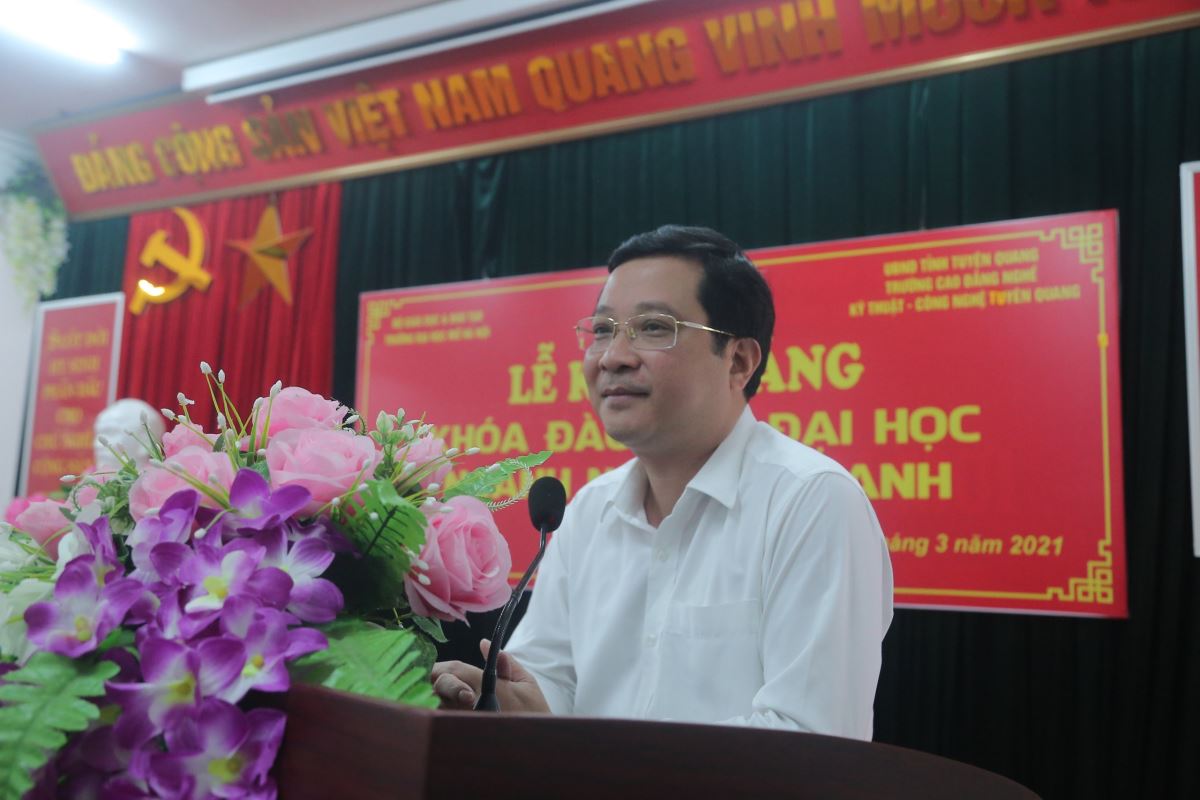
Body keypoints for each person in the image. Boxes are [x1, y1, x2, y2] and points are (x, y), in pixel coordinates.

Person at [432, 225, 893, 738]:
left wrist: (600, 762)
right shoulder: (589, 511)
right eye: (603, 329)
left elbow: (811, 738)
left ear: (739, 360)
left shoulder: (810, 501)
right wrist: (504, 703)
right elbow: (553, 683)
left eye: (653, 327)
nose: (613, 356)